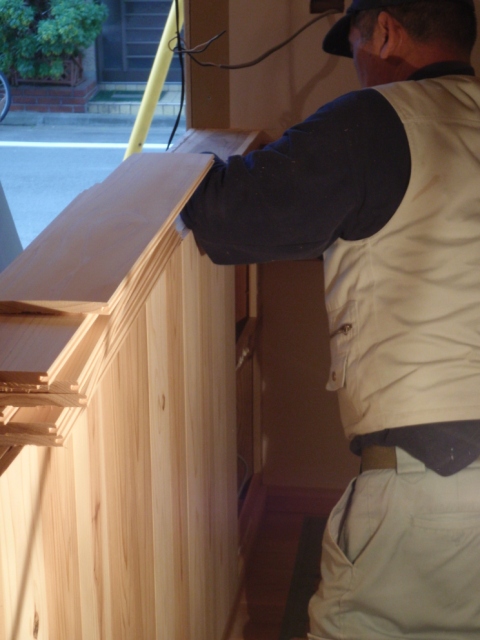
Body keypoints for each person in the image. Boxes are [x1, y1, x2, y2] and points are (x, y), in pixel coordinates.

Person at [181, 0, 480, 637]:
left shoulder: (376, 122)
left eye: (358, 48)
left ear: (388, 31)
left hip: (435, 486)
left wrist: (185, 165)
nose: (359, 70)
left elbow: (229, 218)